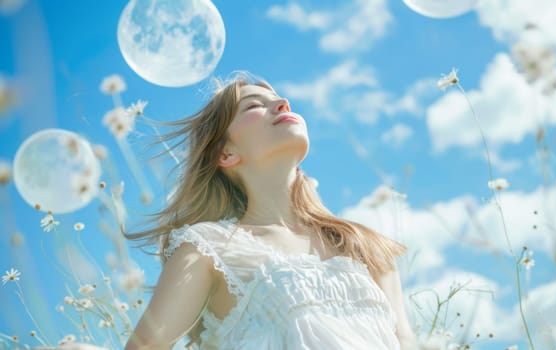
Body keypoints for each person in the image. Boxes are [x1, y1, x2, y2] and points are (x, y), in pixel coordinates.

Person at [123, 72, 416, 349]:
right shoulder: (207, 247)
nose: (281, 103)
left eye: (280, 100)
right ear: (226, 153)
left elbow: (406, 342)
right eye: (254, 105)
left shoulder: (362, 243)